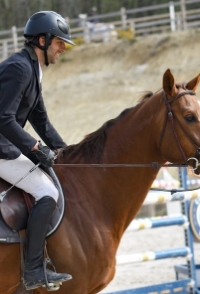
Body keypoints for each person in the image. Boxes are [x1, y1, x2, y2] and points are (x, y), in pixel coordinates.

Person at [0, 11, 75, 290]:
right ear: (42, 40)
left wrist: (65, 152)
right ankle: (33, 271)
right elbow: (3, 118)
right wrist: (34, 147)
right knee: (48, 192)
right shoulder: (19, 68)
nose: (63, 48)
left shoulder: (33, 69)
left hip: (5, 142)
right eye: (59, 42)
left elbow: (40, 119)